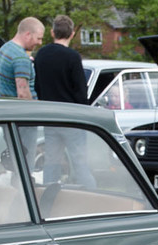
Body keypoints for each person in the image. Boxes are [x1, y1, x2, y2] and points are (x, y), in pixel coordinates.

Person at [35, 15, 95, 188]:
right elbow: (80, 91)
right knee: (80, 162)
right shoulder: (72, 57)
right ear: (72, 33)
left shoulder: (41, 54)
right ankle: (92, 196)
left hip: (50, 117)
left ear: (53, 32)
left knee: (51, 162)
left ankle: (48, 198)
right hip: (71, 118)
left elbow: (38, 86)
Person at [0, 17, 44, 99]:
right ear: (28, 35)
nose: (40, 43)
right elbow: (23, 94)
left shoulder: (5, 47)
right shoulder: (21, 58)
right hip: (19, 110)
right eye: (38, 38)